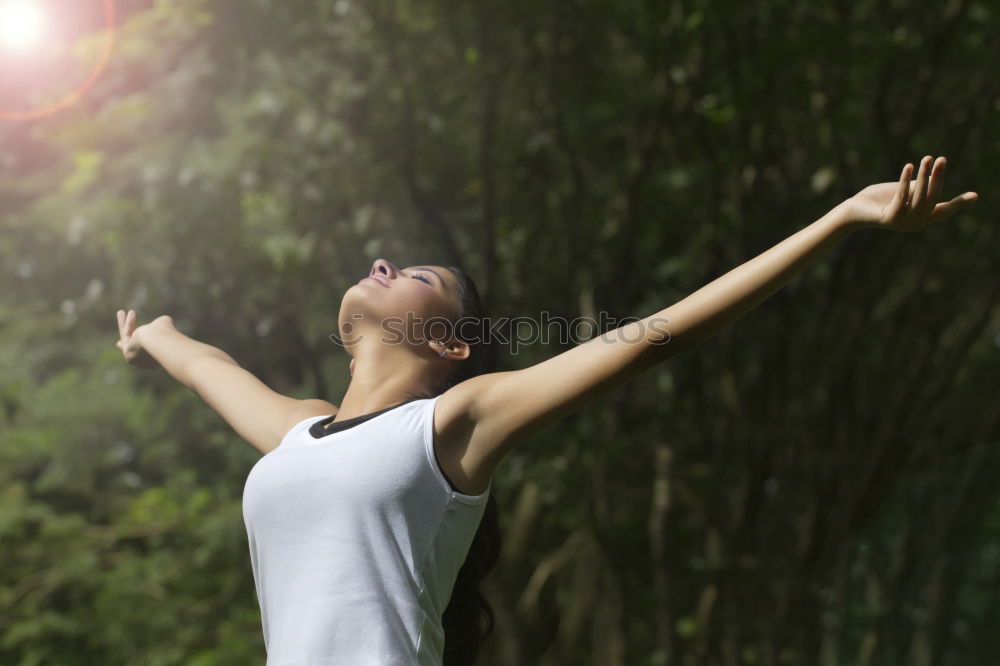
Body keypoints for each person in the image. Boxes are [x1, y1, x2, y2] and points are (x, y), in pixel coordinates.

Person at [115, 155, 977, 665]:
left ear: (452, 348)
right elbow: (206, 365)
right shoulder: (294, 434)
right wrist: (151, 336)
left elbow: (655, 335)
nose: (384, 262)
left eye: (417, 276)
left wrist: (840, 219)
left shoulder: (453, 424)